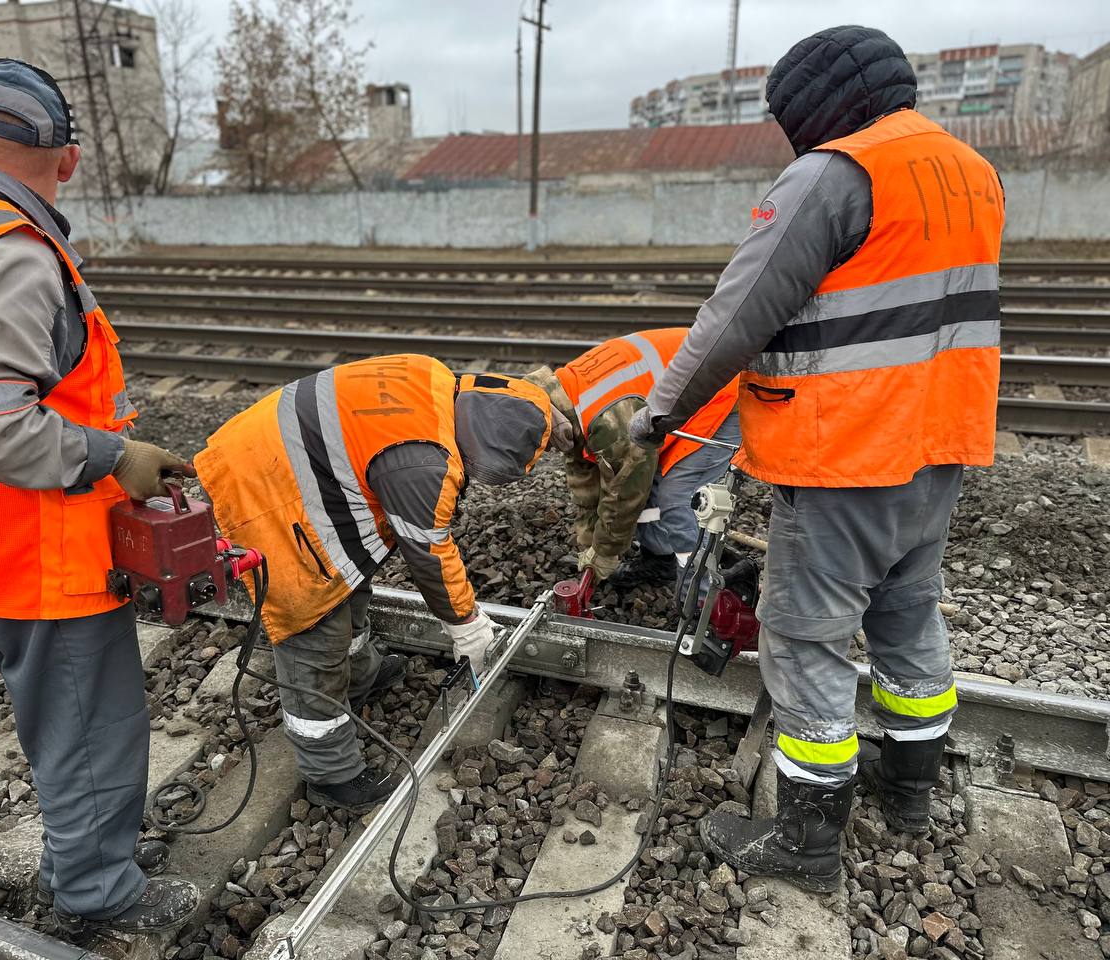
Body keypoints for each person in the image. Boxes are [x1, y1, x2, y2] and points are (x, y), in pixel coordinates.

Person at [630, 26, 1004, 892]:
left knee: (804, 638)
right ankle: (910, 791)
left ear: (819, 107)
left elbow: (736, 317)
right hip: (939, 447)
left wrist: (658, 416)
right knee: (909, 615)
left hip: (845, 456)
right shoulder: (971, 171)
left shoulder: (837, 176)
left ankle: (805, 845)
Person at [0, 59, 198, 934]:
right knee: (95, 733)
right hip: (42, 551)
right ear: (70, 161)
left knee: (63, 729)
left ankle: (74, 864)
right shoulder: (16, 251)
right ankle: (102, 902)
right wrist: (113, 455)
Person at [196, 355, 563, 813]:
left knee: (351, 579)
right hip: (267, 491)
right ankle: (330, 774)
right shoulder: (424, 464)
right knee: (315, 625)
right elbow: (429, 556)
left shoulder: (436, 378)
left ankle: (360, 678)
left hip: (288, 459)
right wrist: (467, 627)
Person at [524, 328, 739, 590]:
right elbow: (584, 479)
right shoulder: (563, 401)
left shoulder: (609, 422)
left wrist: (606, 551)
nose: (547, 452)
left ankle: (702, 599)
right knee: (647, 486)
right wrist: (590, 543)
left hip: (718, 393)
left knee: (677, 499)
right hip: (676, 403)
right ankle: (660, 561)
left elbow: (626, 492)